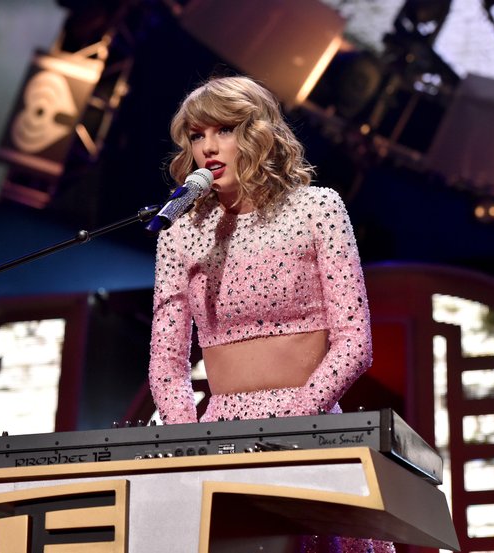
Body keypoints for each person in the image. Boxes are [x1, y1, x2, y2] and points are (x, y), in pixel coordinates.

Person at [147, 75, 394, 553]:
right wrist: (190, 446)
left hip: (310, 429)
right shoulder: (178, 233)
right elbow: (166, 362)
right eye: (197, 136)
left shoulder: (317, 208)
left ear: (258, 134)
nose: (209, 148)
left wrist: (288, 425)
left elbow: (354, 344)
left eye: (224, 130)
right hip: (217, 441)